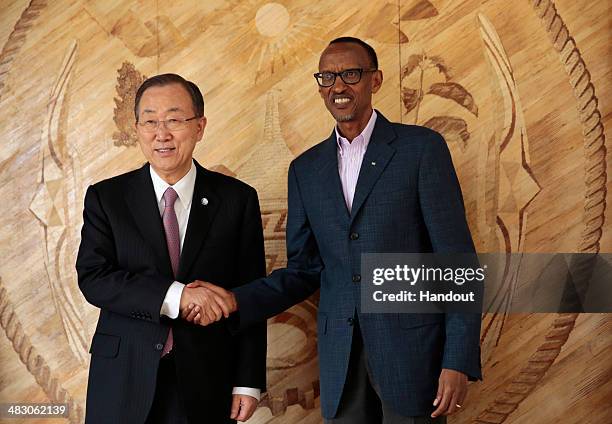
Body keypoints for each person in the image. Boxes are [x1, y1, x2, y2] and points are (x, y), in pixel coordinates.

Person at [189, 37, 482, 424]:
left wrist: (457, 360)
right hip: (340, 363)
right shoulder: (306, 170)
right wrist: (236, 299)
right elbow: (303, 271)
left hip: (414, 358)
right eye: (327, 77)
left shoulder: (421, 149)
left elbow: (457, 264)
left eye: (350, 74)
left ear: (374, 80)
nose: (338, 86)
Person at [76, 73, 266, 424]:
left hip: (207, 377)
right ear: (137, 129)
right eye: (150, 121)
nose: (161, 133)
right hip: (123, 375)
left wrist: (248, 381)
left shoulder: (237, 199)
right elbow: (94, 278)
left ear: (199, 126)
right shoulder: (107, 198)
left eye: (175, 120)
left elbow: (250, 292)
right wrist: (177, 297)